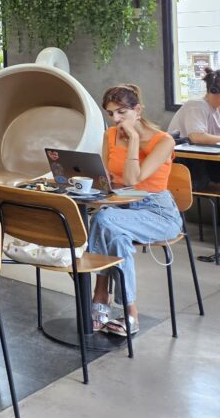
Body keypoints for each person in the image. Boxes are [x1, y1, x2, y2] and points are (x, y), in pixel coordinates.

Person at [89, 84, 182, 337]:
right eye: (111, 113)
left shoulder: (164, 141)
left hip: (158, 213)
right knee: (116, 237)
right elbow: (106, 178)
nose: (116, 119)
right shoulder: (110, 135)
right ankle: (131, 313)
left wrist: (134, 141)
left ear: (138, 110)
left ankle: (100, 293)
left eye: (122, 112)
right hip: (122, 208)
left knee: (103, 219)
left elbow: (132, 179)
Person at [168, 67, 220, 190]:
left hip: (204, 162)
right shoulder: (196, 106)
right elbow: (196, 137)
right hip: (188, 164)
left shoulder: (216, 110)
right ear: (214, 91)